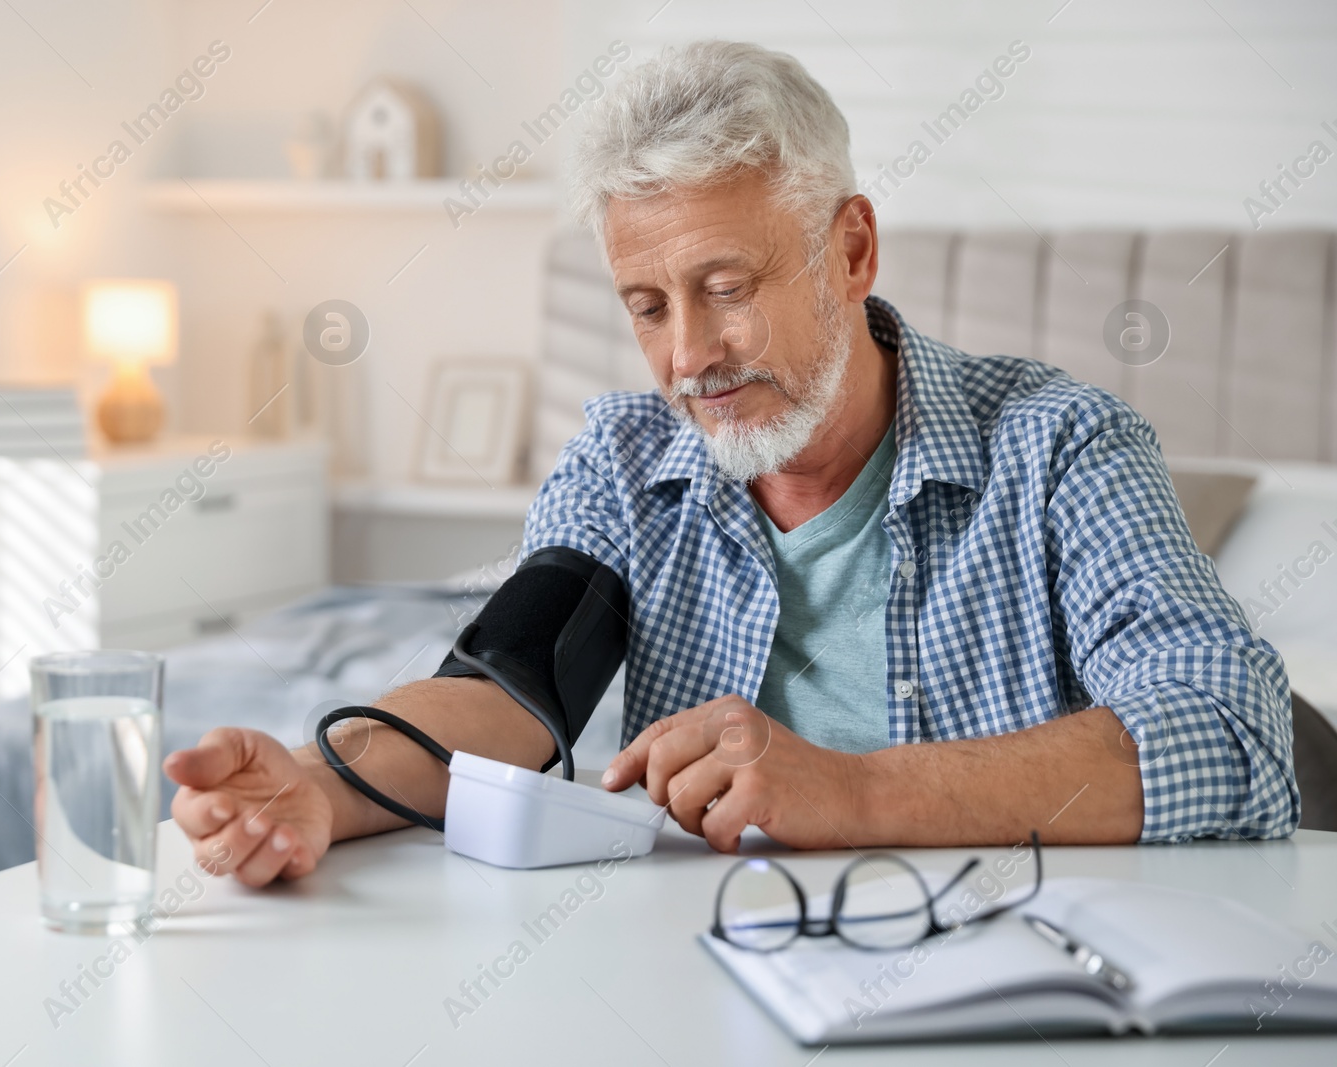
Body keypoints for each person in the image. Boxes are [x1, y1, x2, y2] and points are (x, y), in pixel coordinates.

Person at [164, 41, 1299, 887]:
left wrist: (850, 792)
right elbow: (506, 686)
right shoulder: (625, 459)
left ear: (848, 248)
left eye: (725, 288)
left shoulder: (1061, 449)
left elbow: (1235, 734)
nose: (689, 357)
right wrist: (319, 789)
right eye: (647, 305)